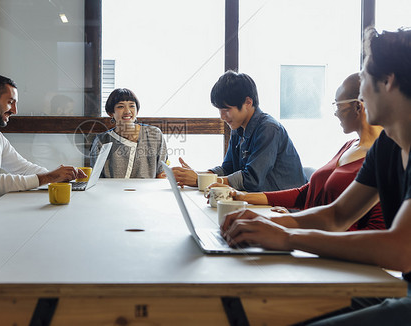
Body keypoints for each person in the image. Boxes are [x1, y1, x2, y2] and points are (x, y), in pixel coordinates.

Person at [222, 27, 411, 325]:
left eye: (363, 78)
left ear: (388, 82)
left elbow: (401, 249)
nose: (360, 94)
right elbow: (336, 216)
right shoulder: (387, 147)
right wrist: (265, 222)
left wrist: (288, 237)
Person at [213, 73, 385, 231]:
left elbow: (372, 233)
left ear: (358, 106)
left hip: (322, 246)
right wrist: (244, 197)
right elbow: (305, 194)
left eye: (338, 105)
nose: (336, 113)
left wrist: (292, 225)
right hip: (307, 233)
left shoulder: (383, 159)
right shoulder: (350, 145)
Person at [0, 74, 85, 222]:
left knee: (53, 213)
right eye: (10, 102)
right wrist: (50, 177)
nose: (15, 110)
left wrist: (56, 176)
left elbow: (22, 167)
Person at [172, 70, 307, 191]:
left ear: (248, 102)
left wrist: (199, 181)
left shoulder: (268, 129)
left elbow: (252, 180)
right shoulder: (238, 128)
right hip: (260, 203)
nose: (222, 117)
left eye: (226, 110)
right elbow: (227, 169)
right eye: (220, 110)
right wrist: (198, 175)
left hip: (285, 209)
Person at [90, 88, 168, 178]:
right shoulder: (101, 141)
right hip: (112, 191)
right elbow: (96, 178)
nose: (127, 111)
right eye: (120, 106)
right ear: (111, 113)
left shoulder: (154, 134)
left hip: (147, 191)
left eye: (131, 106)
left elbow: (161, 173)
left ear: (137, 111)